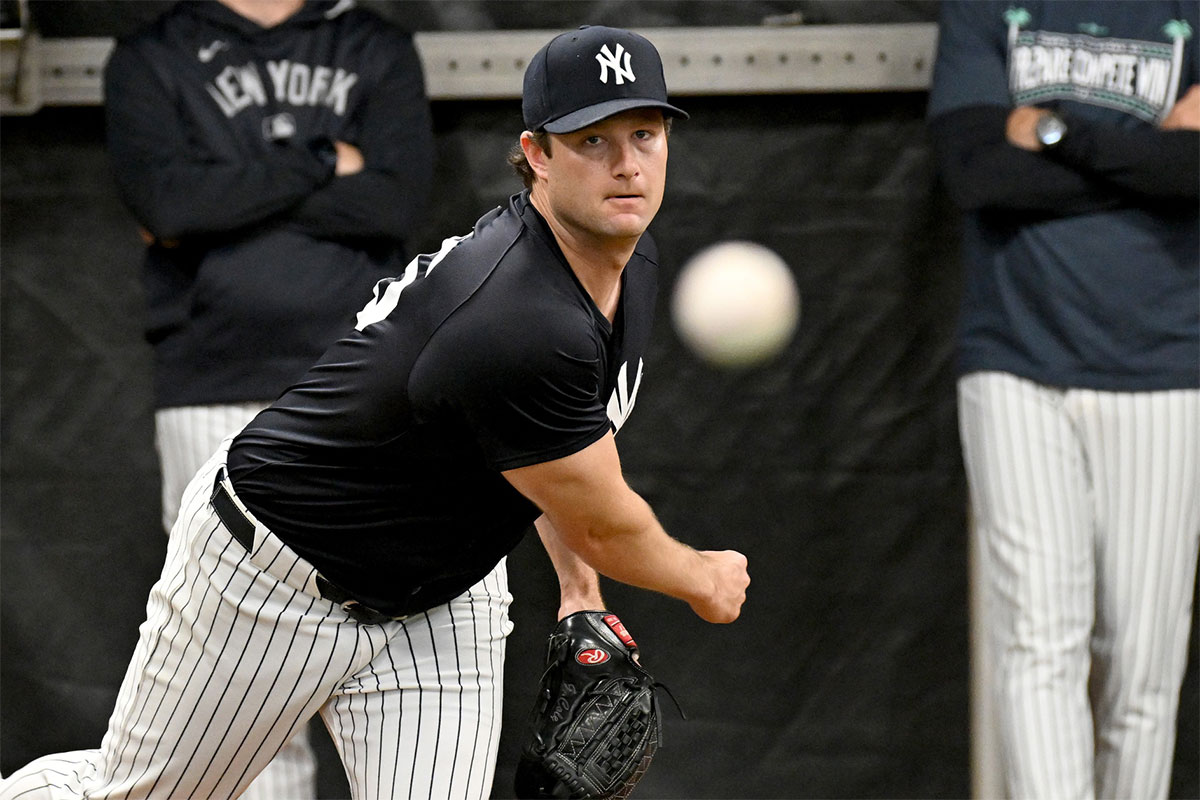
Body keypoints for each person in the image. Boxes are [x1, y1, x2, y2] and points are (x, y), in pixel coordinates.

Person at [0, 25, 750, 800]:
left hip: (443, 601)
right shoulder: (517, 314)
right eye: (592, 139)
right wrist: (701, 579)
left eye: (645, 133)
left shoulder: (629, 258)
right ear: (536, 153)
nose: (627, 164)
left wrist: (581, 593)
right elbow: (602, 522)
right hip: (273, 579)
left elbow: (569, 455)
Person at [101, 0, 434, 795]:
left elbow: (393, 203)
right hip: (211, 382)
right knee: (236, 681)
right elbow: (168, 203)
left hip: (361, 385)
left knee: (396, 657)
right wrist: (324, 159)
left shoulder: (373, 45)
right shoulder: (153, 53)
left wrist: (229, 193)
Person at [927, 2, 1200, 798]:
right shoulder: (989, 10)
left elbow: (1194, 175)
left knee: (1142, 665)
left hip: (1164, 367)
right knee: (1040, 641)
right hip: (1017, 359)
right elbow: (976, 173)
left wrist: (1055, 133)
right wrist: (1147, 160)